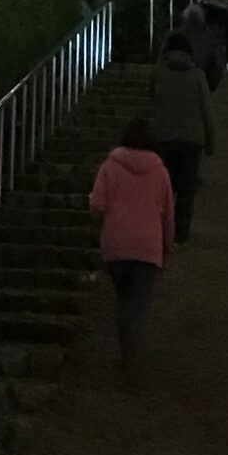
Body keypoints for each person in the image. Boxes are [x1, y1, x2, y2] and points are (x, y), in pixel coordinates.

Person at [88, 115, 175, 372]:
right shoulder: (160, 172)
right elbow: (168, 215)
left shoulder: (110, 166)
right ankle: (131, 356)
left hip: (116, 244)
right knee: (137, 303)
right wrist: (167, 244)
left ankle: (126, 352)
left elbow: (97, 205)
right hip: (147, 247)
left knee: (123, 299)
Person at [148, 27, 217, 240]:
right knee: (187, 190)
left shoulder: (158, 73)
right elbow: (207, 109)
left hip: (164, 136)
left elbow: (152, 101)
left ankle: (161, 228)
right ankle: (181, 233)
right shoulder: (197, 75)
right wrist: (210, 141)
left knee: (163, 187)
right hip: (192, 139)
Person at [178, 0, 226, 91]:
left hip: (174, 83)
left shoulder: (172, 36)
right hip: (200, 84)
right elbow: (218, 66)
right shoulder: (210, 39)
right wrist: (209, 87)